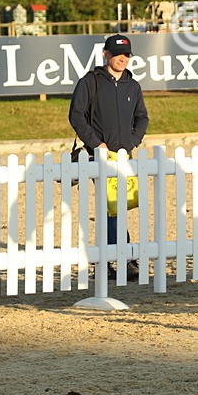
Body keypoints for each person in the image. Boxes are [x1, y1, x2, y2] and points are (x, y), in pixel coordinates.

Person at [68, 34, 149, 248]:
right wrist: (97, 144)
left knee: (118, 205)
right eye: (117, 54)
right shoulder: (90, 81)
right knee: (112, 205)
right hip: (99, 155)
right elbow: (76, 115)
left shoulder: (133, 86)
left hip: (124, 155)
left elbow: (142, 117)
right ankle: (123, 253)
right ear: (106, 54)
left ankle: (111, 255)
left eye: (127, 55)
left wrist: (132, 141)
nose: (123, 58)